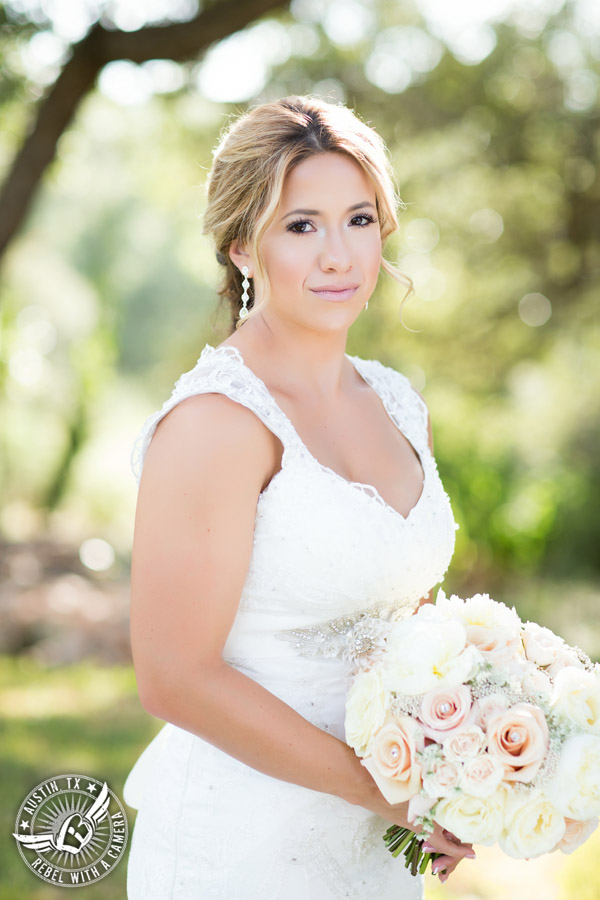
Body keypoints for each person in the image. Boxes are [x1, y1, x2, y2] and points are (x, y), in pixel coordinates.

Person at [123, 94, 473, 899]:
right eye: (301, 225)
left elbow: (404, 610)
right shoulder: (217, 421)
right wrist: (381, 788)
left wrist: (466, 749)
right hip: (241, 846)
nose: (339, 256)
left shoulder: (395, 401)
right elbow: (173, 676)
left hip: (380, 844)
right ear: (244, 246)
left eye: (358, 220)